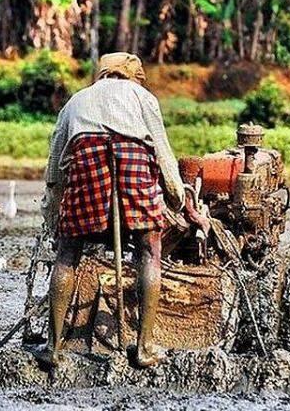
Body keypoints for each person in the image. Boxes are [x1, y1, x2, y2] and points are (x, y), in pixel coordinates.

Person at [40, 52, 185, 367]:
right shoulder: (142, 97)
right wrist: (177, 197)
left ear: (104, 73)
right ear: (131, 75)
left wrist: (54, 215)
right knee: (149, 250)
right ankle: (144, 348)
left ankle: (53, 347)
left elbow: (54, 169)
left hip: (87, 170)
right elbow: (162, 152)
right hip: (133, 168)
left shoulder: (76, 101)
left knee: (67, 253)